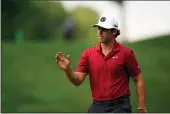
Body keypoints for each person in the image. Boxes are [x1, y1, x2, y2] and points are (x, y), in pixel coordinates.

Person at [55, 13, 147, 113]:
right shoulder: (88, 54)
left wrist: (141, 107)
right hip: (97, 106)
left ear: (114, 31)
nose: (100, 32)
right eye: (99, 28)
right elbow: (77, 81)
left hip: (120, 107)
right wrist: (68, 70)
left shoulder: (126, 53)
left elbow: (138, 80)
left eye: (104, 29)